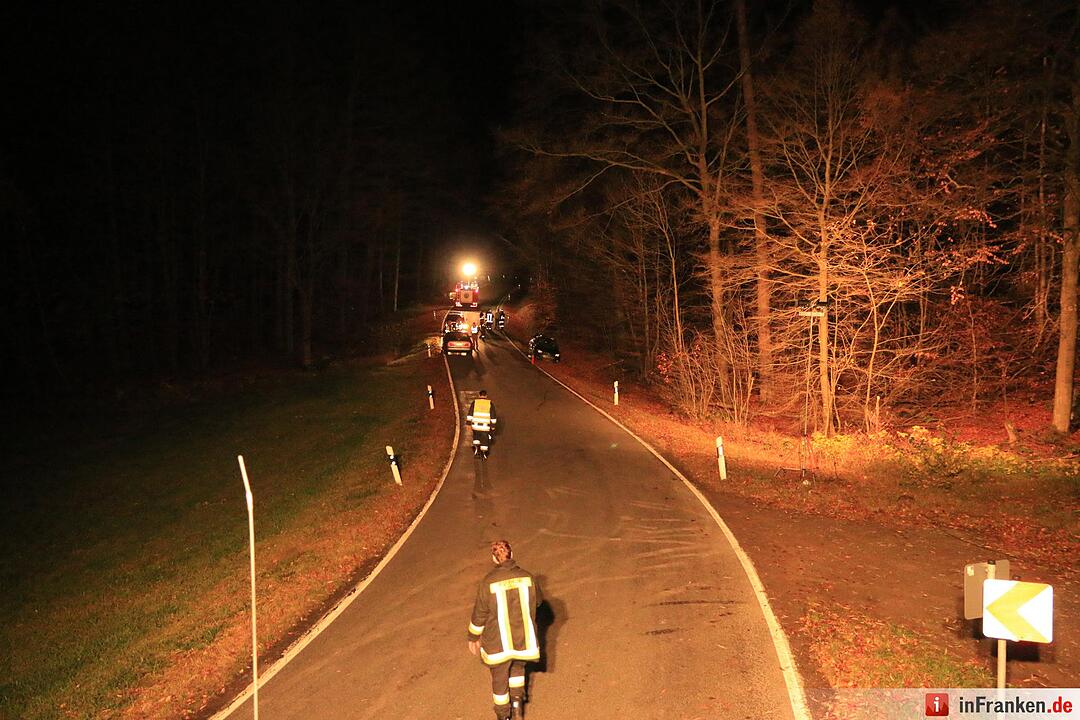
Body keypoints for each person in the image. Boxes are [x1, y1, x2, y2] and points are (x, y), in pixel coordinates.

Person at [468, 540, 542, 720]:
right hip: (522, 638)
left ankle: (504, 716)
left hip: (498, 644)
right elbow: (538, 601)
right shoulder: (527, 578)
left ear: (494, 558)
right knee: (517, 671)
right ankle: (517, 708)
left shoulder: (488, 582)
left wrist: (473, 636)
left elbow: (480, 614)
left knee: (499, 681)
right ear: (512, 553)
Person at [466, 390, 497, 457]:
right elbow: (493, 416)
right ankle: (484, 453)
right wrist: (493, 425)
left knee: (476, 437)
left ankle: (476, 449)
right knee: (484, 439)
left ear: (479, 395)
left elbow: (470, 414)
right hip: (485, 427)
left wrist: (468, 424)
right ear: (486, 396)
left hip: (475, 425)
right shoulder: (490, 403)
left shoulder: (475, 402)